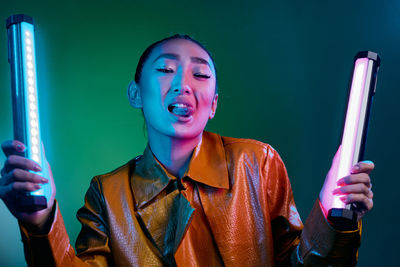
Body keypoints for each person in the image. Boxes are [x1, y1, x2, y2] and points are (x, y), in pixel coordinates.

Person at [0, 34, 374, 266]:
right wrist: (39, 221)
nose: (183, 84)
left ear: (213, 104)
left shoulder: (257, 162)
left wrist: (332, 218)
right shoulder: (108, 192)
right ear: (135, 94)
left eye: (201, 74)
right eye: (165, 70)